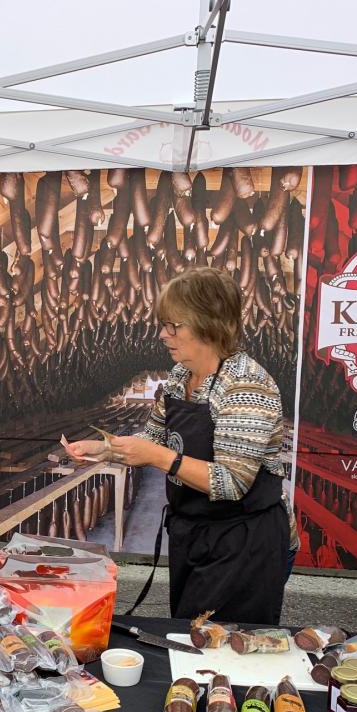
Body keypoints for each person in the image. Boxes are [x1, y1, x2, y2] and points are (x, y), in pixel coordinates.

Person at [65, 267, 297, 624]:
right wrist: (104, 449)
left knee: (223, 646)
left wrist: (159, 458)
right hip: (196, 534)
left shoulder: (246, 385)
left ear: (208, 324)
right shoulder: (180, 376)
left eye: (173, 326)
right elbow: (154, 438)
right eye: (164, 325)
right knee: (188, 637)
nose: (163, 334)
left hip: (243, 543)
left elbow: (231, 482)